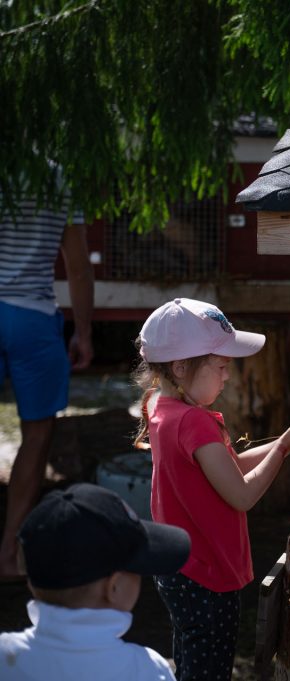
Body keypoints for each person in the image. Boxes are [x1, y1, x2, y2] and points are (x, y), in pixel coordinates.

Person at [133, 297, 290, 681]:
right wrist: (283, 448)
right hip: (207, 576)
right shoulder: (195, 423)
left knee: (191, 665)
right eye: (220, 366)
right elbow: (242, 494)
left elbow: (225, 469)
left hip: (178, 570)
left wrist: (289, 440)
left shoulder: (160, 407)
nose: (228, 376)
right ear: (181, 367)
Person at [0, 482, 191, 680]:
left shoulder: (5, 658)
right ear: (114, 588)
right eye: (137, 569)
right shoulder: (146, 669)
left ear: (31, 583)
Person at [0, 178, 94, 579]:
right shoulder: (58, 178)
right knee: (36, 437)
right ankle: (7, 556)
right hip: (33, 319)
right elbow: (77, 266)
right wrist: (83, 333)